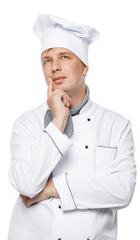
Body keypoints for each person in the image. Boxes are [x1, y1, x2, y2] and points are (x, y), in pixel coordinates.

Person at [8, 14, 136, 240]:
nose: (54, 67)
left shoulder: (117, 126)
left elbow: (123, 191)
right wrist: (58, 122)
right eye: (47, 60)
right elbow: (26, 185)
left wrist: (51, 189)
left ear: (85, 67)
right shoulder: (27, 123)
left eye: (64, 57)